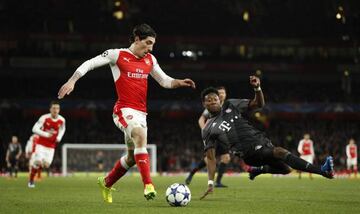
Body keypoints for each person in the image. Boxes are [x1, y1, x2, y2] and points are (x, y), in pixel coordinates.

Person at [57, 23, 195, 203]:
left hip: (141, 114)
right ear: (137, 39)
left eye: (153, 44)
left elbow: (164, 81)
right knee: (139, 135)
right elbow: (90, 63)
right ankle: (148, 185)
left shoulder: (150, 60)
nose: (150, 48)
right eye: (148, 43)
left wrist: (179, 82)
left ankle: (106, 182)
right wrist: (72, 81)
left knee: (131, 158)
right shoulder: (117, 54)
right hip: (123, 110)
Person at [199, 76, 334, 199]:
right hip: (248, 152)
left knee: (286, 169)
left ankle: (259, 171)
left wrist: (257, 88)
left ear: (219, 100)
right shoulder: (208, 129)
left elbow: (258, 104)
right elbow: (211, 158)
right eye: (209, 101)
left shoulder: (230, 104)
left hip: (261, 141)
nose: (213, 102)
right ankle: (322, 170)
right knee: (280, 152)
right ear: (204, 105)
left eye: (215, 99)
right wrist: (210, 182)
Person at [186, 86, 231, 187]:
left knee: (226, 158)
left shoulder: (228, 107)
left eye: (223, 93)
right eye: (220, 93)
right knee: (208, 159)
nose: (221, 94)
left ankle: (218, 182)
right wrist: (204, 129)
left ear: (226, 95)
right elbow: (201, 119)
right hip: (213, 136)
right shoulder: (212, 106)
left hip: (223, 137)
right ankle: (192, 173)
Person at [28, 101, 66, 188]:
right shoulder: (44, 118)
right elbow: (34, 129)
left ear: (59, 109)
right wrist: (45, 134)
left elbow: (62, 129)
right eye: (53, 108)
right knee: (37, 162)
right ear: (50, 109)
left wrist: (59, 137)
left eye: (57, 108)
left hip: (51, 147)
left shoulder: (62, 120)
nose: (55, 110)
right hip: (41, 145)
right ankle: (31, 180)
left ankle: (35, 166)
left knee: (46, 165)